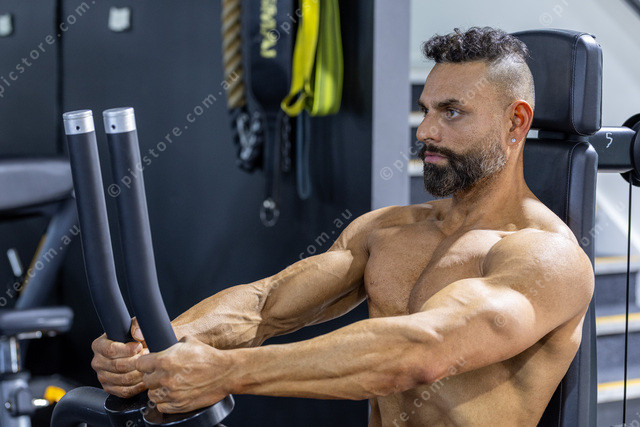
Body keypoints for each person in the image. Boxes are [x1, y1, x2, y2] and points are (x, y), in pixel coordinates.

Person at [90, 27, 594, 426]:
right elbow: (267, 306)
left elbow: (423, 350)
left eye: (452, 112)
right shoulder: (387, 230)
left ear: (515, 122)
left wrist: (225, 372)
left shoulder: (545, 257)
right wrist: (156, 344)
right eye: (425, 110)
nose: (425, 131)